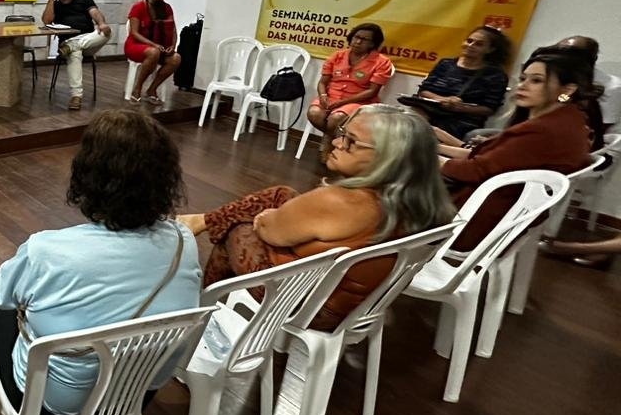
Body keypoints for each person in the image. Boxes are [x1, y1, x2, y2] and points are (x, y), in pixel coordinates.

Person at [0, 111, 202, 415]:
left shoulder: (46, 251)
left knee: (4, 307)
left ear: (86, 176)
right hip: (132, 401)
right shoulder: (182, 242)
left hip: (51, 412)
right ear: (167, 179)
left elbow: (3, 303)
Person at [182, 105, 454, 331]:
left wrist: (267, 219)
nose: (336, 142)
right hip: (356, 304)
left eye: (351, 142)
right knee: (282, 193)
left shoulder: (343, 201)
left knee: (237, 230)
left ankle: (200, 312)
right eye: (342, 133)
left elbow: (267, 230)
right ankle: (202, 221)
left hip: (307, 305)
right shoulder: (424, 203)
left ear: (388, 158)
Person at [438, 50, 594, 250]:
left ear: (568, 89)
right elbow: (489, 159)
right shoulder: (569, 119)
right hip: (501, 215)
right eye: (523, 78)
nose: (523, 85)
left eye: (536, 81)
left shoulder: (543, 130)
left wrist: (426, 157)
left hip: (473, 220)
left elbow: (475, 170)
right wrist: (434, 148)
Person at [307, 22, 394, 160]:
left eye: (364, 39)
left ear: (372, 44)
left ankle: (328, 144)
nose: (358, 42)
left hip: (359, 100)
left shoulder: (382, 62)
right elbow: (323, 82)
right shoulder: (337, 56)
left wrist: (342, 102)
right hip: (331, 96)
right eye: (356, 37)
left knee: (336, 118)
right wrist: (323, 95)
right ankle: (335, 139)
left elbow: (372, 92)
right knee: (314, 113)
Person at [405, 26, 511, 139]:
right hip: (428, 112)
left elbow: (489, 108)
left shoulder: (495, 75)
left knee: (425, 134)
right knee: (406, 124)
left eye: (478, 44)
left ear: (490, 49)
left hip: (461, 121)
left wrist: (459, 107)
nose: (470, 46)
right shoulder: (446, 64)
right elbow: (424, 90)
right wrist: (442, 100)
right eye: (469, 41)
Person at [42, 0, 111, 110]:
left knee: (106, 32)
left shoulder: (84, 0)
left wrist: (102, 23)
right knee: (75, 53)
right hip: (66, 41)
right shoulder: (56, 4)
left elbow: (95, 13)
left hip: (89, 41)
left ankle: (73, 46)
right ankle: (76, 96)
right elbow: (46, 21)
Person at [125, 0, 182, 104]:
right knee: (153, 52)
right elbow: (133, 32)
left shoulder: (167, 8)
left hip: (158, 46)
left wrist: (173, 46)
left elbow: (173, 30)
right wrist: (153, 44)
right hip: (137, 45)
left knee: (176, 58)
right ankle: (137, 88)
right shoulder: (139, 7)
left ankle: (152, 89)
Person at [557, 35, 620, 133]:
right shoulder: (559, 78)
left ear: (591, 58)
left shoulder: (613, 87)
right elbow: (560, 100)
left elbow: (601, 125)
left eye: (569, 53)